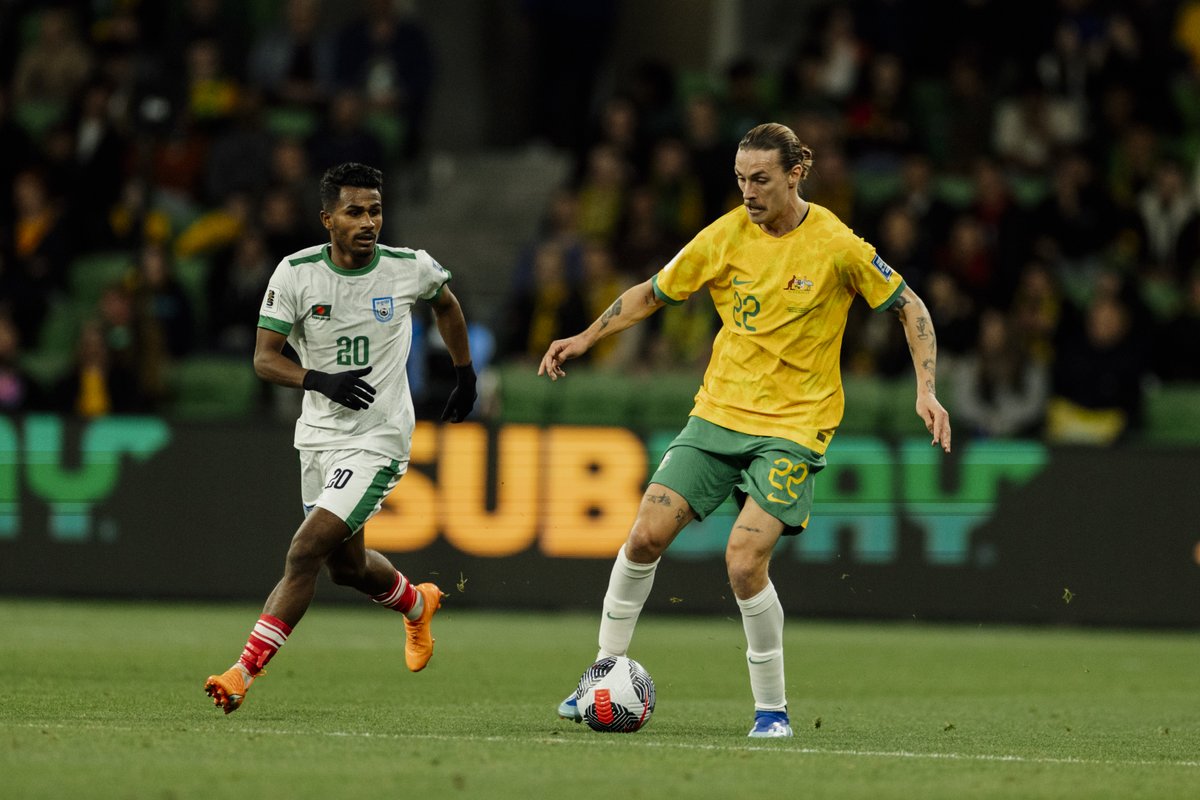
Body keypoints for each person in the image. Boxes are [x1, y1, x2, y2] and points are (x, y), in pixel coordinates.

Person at [538, 123, 951, 738]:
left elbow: (909, 305)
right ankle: (600, 673)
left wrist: (926, 389)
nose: (749, 192)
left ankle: (772, 711)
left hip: (794, 426)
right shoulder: (726, 234)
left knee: (742, 562)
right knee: (646, 535)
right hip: (717, 416)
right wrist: (587, 337)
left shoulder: (836, 244)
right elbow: (652, 293)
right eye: (740, 179)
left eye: (760, 179)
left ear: (794, 175)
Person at [204, 162, 477, 714]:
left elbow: (446, 305)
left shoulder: (409, 268)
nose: (368, 221)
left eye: (375, 210)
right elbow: (264, 359)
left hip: (380, 438)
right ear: (327, 218)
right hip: (319, 438)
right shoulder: (296, 273)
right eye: (354, 211)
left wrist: (464, 373)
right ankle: (416, 605)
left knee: (304, 550)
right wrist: (317, 379)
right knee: (345, 567)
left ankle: (242, 671)